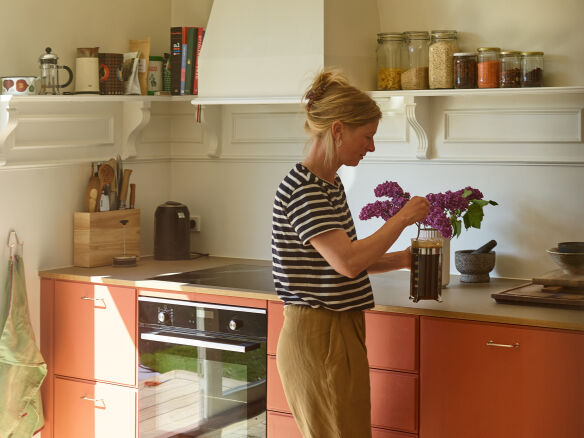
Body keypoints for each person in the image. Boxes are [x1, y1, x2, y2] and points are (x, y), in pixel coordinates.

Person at [271, 68, 430, 438]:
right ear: (338, 130)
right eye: (367, 136)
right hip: (319, 334)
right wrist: (402, 218)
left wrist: (402, 259)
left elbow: (341, 260)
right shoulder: (306, 190)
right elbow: (347, 263)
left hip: (337, 329)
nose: (371, 147)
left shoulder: (327, 183)